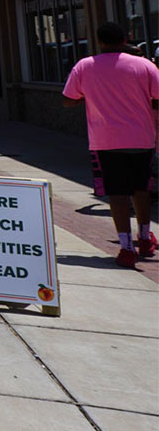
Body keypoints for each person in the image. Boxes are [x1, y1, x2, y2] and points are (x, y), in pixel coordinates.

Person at [62, 20, 159, 268]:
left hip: (105, 140)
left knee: (117, 193)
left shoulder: (85, 66)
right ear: (125, 40)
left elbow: (68, 100)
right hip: (141, 137)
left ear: (100, 42)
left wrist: (90, 95)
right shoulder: (145, 65)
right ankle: (145, 237)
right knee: (142, 188)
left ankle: (126, 247)